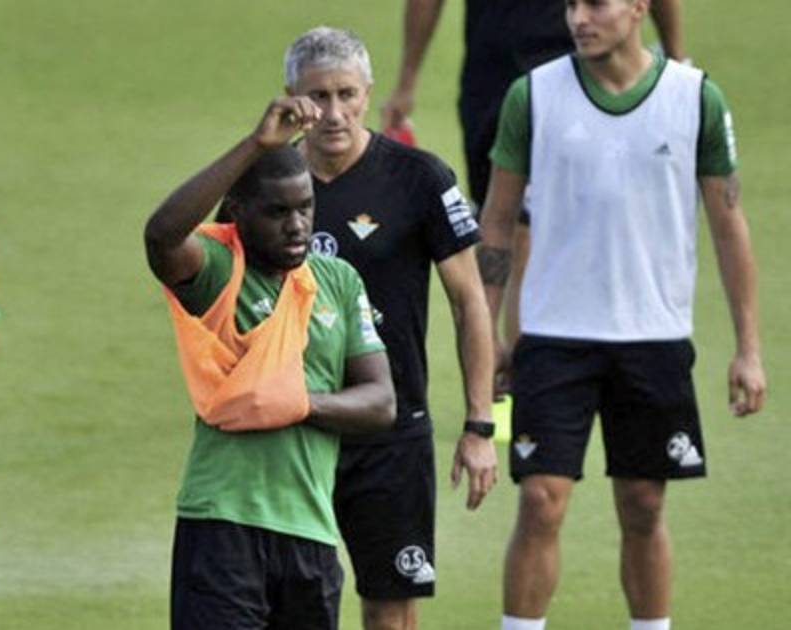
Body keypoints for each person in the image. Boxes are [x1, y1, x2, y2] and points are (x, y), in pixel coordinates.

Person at [476, 1, 767, 629]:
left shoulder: (696, 98)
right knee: (541, 500)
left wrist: (748, 348)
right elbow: (496, 222)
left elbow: (729, 225)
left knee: (643, 503)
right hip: (553, 335)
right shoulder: (532, 96)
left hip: (654, 336)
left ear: (639, 7)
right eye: (571, 4)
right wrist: (489, 333)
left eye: (596, 3)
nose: (578, 17)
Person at [145, 96, 398, 629]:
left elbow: (380, 403)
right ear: (238, 213)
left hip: (310, 532)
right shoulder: (219, 271)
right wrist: (256, 144)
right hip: (222, 524)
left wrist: (297, 403)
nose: (297, 225)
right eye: (278, 212)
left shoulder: (337, 280)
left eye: (305, 207)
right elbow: (162, 236)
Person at [282, 27, 497, 630]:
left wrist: (480, 425)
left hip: (391, 431)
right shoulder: (267, 180)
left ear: (368, 93)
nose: (333, 113)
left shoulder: (420, 179)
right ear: (292, 98)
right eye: (317, 96)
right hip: (294, 427)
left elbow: (469, 303)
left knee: (390, 609)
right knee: (295, 605)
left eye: (346, 94)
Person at [381, 0, 683, 212]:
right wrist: (405, 84)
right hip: (493, 82)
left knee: (586, 210)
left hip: (573, 74)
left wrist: (676, 68)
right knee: (499, 215)